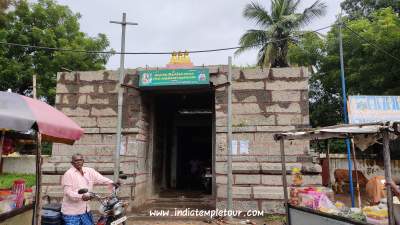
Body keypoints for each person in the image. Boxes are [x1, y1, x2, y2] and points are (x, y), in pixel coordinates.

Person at [61, 153, 116, 225]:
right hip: (72, 212)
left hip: (85, 210)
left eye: (80, 160)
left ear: (83, 161)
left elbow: (101, 178)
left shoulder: (89, 171)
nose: (78, 162)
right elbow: (68, 193)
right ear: (72, 163)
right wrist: (82, 196)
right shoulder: (68, 174)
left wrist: (112, 183)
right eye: (76, 160)